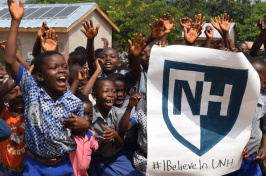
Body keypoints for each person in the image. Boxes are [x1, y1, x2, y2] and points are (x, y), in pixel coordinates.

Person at [4, 1, 90, 175]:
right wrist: (15, 21)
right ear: (40, 76)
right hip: (34, 166)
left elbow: (81, 134)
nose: (61, 71)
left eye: (64, 67)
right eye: (54, 68)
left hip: (64, 165)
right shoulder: (32, 90)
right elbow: (10, 61)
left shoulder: (74, 102)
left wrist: (85, 126)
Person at [90, 77, 141, 175]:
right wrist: (105, 140)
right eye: (106, 91)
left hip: (117, 157)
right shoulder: (90, 116)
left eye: (113, 91)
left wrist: (116, 136)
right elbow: (88, 148)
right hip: (97, 158)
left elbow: (121, 143)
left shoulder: (117, 113)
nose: (111, 95)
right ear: (94, 96)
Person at [228, 57, 266, 176]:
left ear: (264, 83)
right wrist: (237, 145)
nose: (251, 81)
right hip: (226, 159)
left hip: (250, 159)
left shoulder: (264, 100)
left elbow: (264, 127)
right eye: (248, 75)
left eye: (257, 78)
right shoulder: (227, 97)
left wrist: (264, 148)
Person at [69, 95, 98, 176]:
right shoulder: (69, 135)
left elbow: (94, 147)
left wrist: (106, 140)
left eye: (90, 115)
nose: (86, 119)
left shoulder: (91, 135)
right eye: (82, 115)